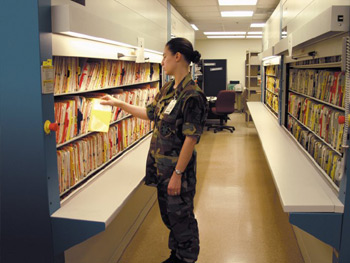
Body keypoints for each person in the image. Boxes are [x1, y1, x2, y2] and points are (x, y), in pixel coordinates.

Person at [101, 37, 208, 263]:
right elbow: (150, 113)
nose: (162, 61)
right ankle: (176, 254)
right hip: (161, 169)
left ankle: (187, 258)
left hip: (178, 172)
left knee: (182, 217)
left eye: (164, 56)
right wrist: (120, 104)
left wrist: (177, 175)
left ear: (177, 57)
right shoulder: (169, 88)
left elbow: (191, 139)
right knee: (170, 217)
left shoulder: (193, 95)